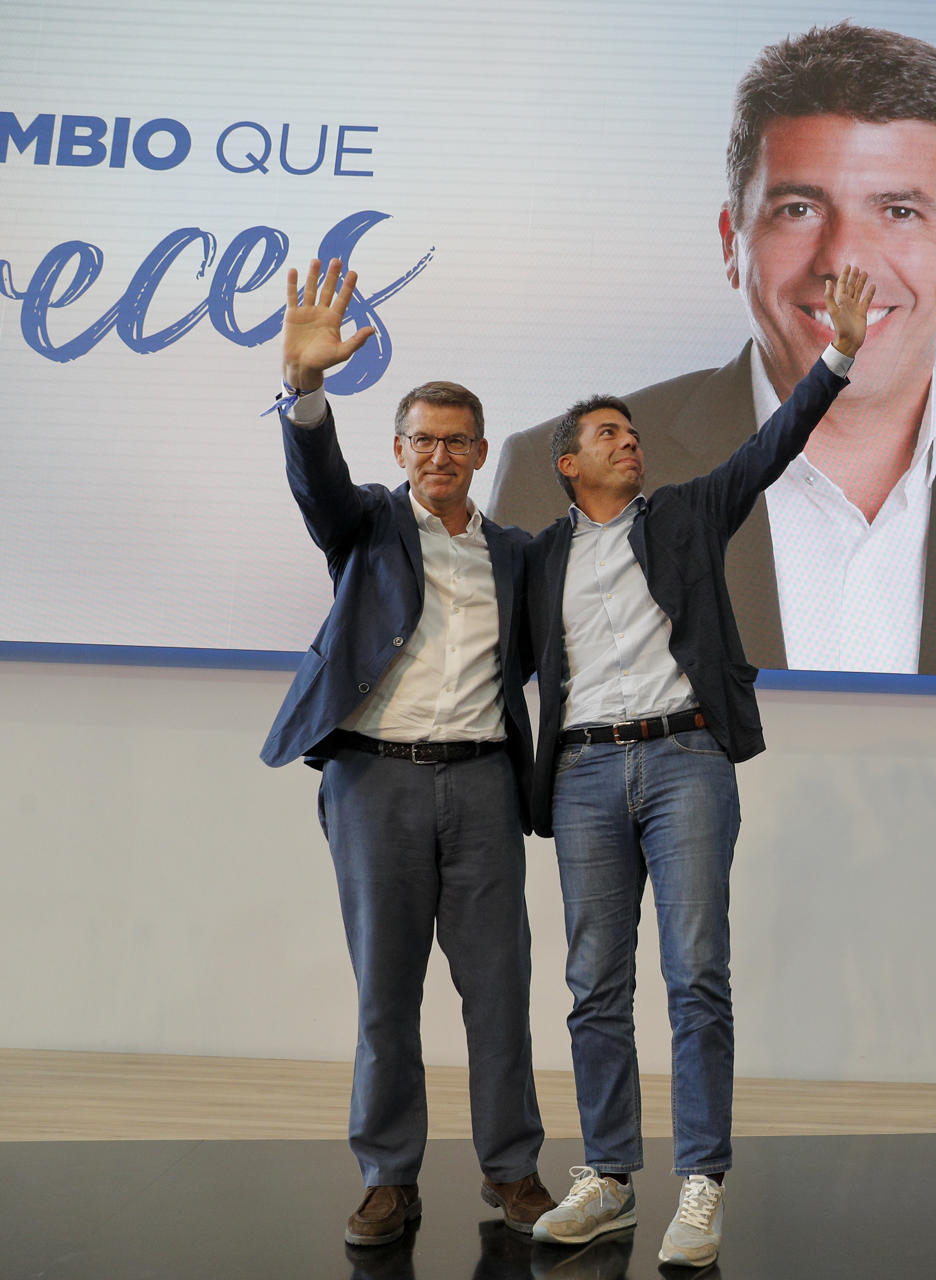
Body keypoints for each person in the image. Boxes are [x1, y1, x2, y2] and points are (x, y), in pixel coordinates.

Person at [492, 22, 936, 686]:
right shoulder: (557, 475)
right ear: (731, 243)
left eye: (899, 211)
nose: (843, 262)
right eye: (798, 209)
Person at [525, 264, 872, 1265]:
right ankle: (607, 1176)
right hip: (587, 772)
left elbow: (774, 444)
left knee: (696, 973)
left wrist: (836, 355)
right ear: (567, 464)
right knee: (593, 978)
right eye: (607, 434)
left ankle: (702, 1181)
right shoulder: (539, 556)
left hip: (684, 759)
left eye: (633, 431)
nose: (629, 441)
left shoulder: (683, 512)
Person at [261, 258, 554, 1245]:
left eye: (454, 441)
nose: (437, 454)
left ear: (478, 452)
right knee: (387, 989)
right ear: (401, 447)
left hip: (479, 784)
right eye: (420, 439)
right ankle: (390, 1175)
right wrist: (305, 389)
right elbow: (319, 482)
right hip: (375, 780)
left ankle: (513, 1168)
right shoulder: (368, 525)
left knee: (499, 989)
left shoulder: (515, 553)